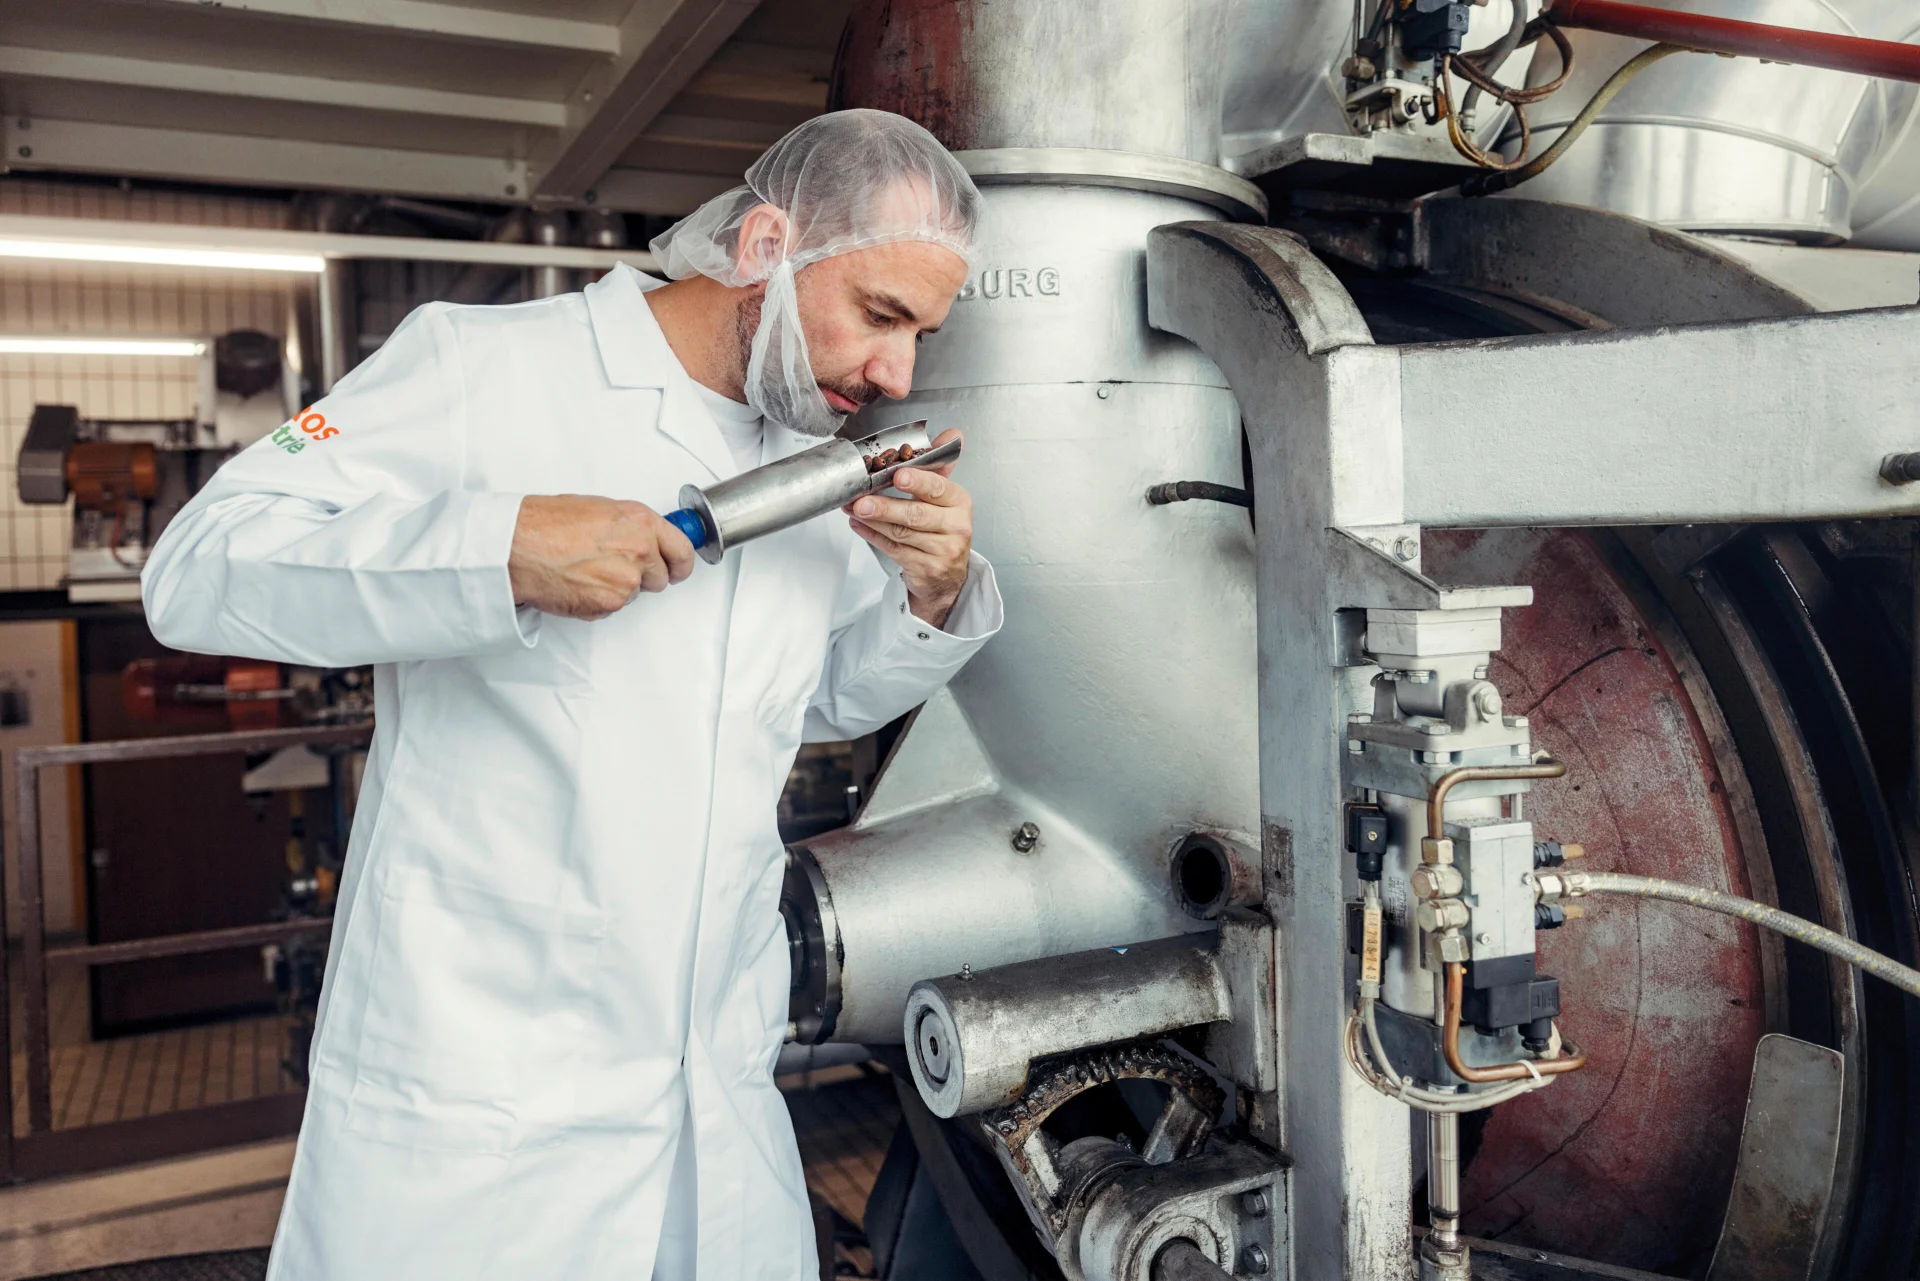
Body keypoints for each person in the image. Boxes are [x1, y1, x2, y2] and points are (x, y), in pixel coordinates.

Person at [142, 109, 1000, 1280]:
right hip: (486, 1118)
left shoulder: (798, 463)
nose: (896, 372)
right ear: (763, 247)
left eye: (921, 335)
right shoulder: (478, 365)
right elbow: (198, 568)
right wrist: (495, 550)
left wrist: (932, 598)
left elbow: (817, 704)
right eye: (881, 315)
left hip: (718, 1104)